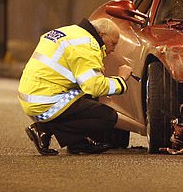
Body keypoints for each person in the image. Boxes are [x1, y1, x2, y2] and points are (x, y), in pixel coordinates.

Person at [18, 18, 132, 155]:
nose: (113, 49)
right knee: (108, 117)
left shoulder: (70, 32)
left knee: (88, 95)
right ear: (102, 35)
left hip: (34, 94)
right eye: (113, 43)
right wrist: (121, 79)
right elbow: (95, 87)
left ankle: (77, 143)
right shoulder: (86, 45)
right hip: (45, 101)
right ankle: (44, 128)